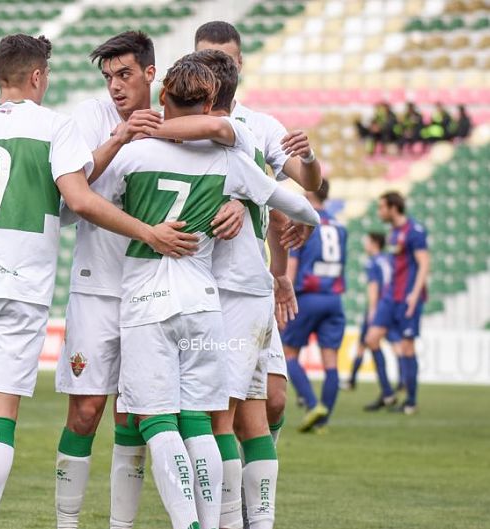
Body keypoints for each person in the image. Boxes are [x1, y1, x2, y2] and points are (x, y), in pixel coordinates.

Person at [0, 33, 197, 529]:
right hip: (21, 284)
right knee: (0, 415)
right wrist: (148, 232)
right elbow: (79, 200)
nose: (112, 86)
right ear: (38, 76)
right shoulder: (57, 126)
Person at [106, 55, 319, 529]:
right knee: (208, 420)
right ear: (211, 101)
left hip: (149, 299)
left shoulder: (134, 154)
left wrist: (130, 143)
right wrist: (297, 221)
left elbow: (83, 203)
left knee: (160, 421)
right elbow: (301, 205)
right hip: (204, 299)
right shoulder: (232, 156)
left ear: (163, 97)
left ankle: (193, 523)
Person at [52, 31, 245, 529]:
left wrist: (237, 202)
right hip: (97, 285)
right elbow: (71, 199)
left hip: (157, 291)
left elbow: (229, 158)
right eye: (108, 78)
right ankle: (67, 523)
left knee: (135, 415)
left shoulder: (182, 123)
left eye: (125, 75)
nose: (116, 87)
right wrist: (119, 138)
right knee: (87, 411)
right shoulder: (88, 120)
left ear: (150, 75)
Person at [281, 180, 348, 433]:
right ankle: (323, 422)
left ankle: (312, 405)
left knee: (289, 354)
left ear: (309, 192)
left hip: (307, 296)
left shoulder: (304, 221)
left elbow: (293, 263)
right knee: (331, 362)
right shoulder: (341, 226)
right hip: (334, 298)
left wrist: (284, 294)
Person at [364, 192, 430, 415]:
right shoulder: (393, 233)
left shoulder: (415, 231)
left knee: (407, 347)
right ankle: (388, 394)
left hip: (407, 298)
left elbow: (424, 263)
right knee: (371, 339)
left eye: (382, 207)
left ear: (393, 208)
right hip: (390, 297)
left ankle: (410, 401)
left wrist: (415, 293)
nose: (379, 212)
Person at [345, 233, 400, 401]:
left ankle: (388, 391)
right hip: (392, 305)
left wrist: (373, 311)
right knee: (366, 344)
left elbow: (374, 288)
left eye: (367, 242)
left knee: (371, 342)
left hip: (379, 308)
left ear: (375, 243)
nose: (365, 245)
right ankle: (352, 380)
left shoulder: (372, 262)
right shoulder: (388, 259)